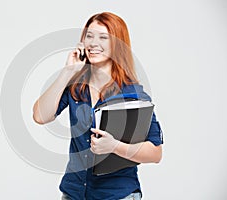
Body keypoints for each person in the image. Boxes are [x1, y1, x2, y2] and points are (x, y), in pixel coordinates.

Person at [33, 12, 163, 200]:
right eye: (89, 36)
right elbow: (39, 116)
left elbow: (155, 152)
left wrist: (114, 146)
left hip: (116, 195)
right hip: (73, 193)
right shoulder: (75, 87)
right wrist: (67, 72)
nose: (93, 43)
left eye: (103, 37)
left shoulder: (133, 94)